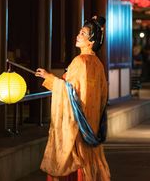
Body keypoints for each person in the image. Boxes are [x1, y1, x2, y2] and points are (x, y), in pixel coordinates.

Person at [35, 16, 110, 181]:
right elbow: (103, 95)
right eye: (79, 32)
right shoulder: (98, 64)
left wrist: (49, 77)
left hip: (77, 123)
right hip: (91, 123)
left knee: (74, 160)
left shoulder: (80, 61)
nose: (78, 35)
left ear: (91, 41)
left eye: (83, 33)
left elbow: (70, 91)